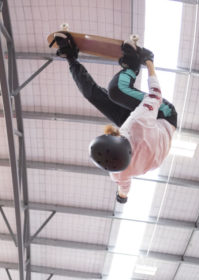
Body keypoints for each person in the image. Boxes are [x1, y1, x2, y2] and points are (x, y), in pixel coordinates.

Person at [49, 32, 178, 203]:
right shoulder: (138, 123)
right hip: (163, 119)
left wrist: (122, 197)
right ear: (116, 136)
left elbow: (124, 188)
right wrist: (148, 61)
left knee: (92, 95)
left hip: (147, 143)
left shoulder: (119, 170)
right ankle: (133, 65)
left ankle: (70, 57)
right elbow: (155, 95)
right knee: (117, 91)